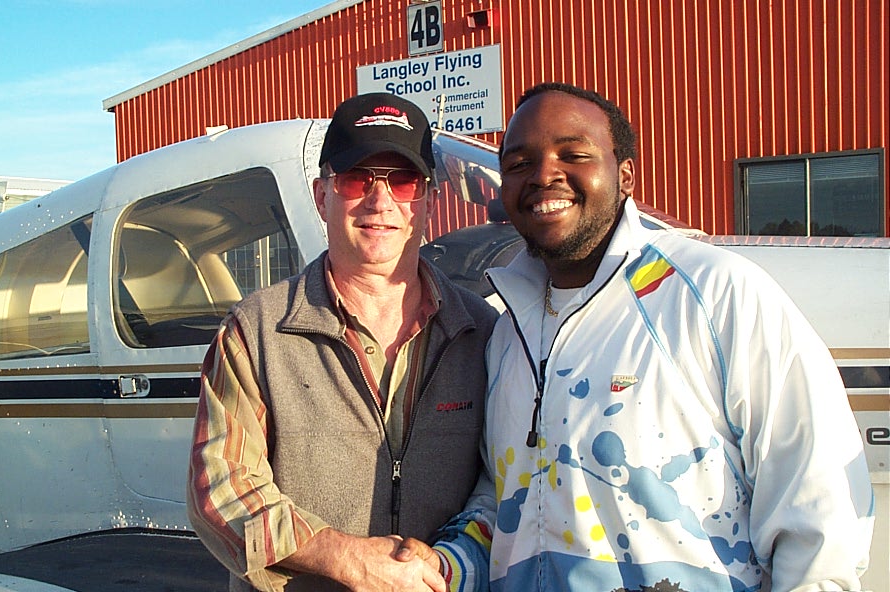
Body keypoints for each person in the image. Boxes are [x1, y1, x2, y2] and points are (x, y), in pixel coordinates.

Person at [410, 82, 875, 591]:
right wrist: (447, 565)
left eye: (574, 154)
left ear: (625, 174)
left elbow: (818, 510)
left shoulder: (717, 294)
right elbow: (506, 498)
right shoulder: (506, 329)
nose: (544, 175)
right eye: (519, 163)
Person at [187, 92, 499, 592]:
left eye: (403, 181)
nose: (381, 201)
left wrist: (446, 563)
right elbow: (221, 489)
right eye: (357, 179)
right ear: (321, 195)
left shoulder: (483, 332)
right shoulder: (256, 331)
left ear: (428, 201)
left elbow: (503, 479)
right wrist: (344, 558)